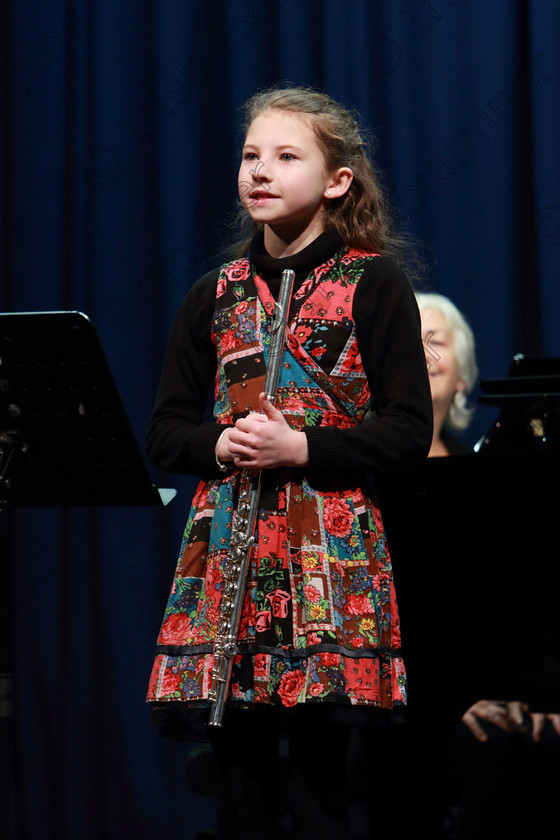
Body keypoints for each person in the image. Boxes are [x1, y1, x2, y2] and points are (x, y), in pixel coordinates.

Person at [145, 85, 433, 840]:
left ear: (337, 181)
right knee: (240, 785)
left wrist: (302, 446)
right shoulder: (217, 293)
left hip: (327, 560)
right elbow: (166, 430)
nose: (259, 172)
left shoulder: (374, 284)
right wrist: (218, 443)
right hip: (231, 562)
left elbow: (407, 429)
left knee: (319, 786)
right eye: (249, 156)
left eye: (284, 156)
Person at [416, 292, 560, 838]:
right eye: (409, 341)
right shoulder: (359, 483)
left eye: (436, 341)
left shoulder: (496, 483)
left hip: (498, 694)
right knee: (492, 752)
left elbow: (520, 606)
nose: (423, 352)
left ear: (462, 379)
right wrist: (456, 700)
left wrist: (539, 693)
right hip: (407, 705)